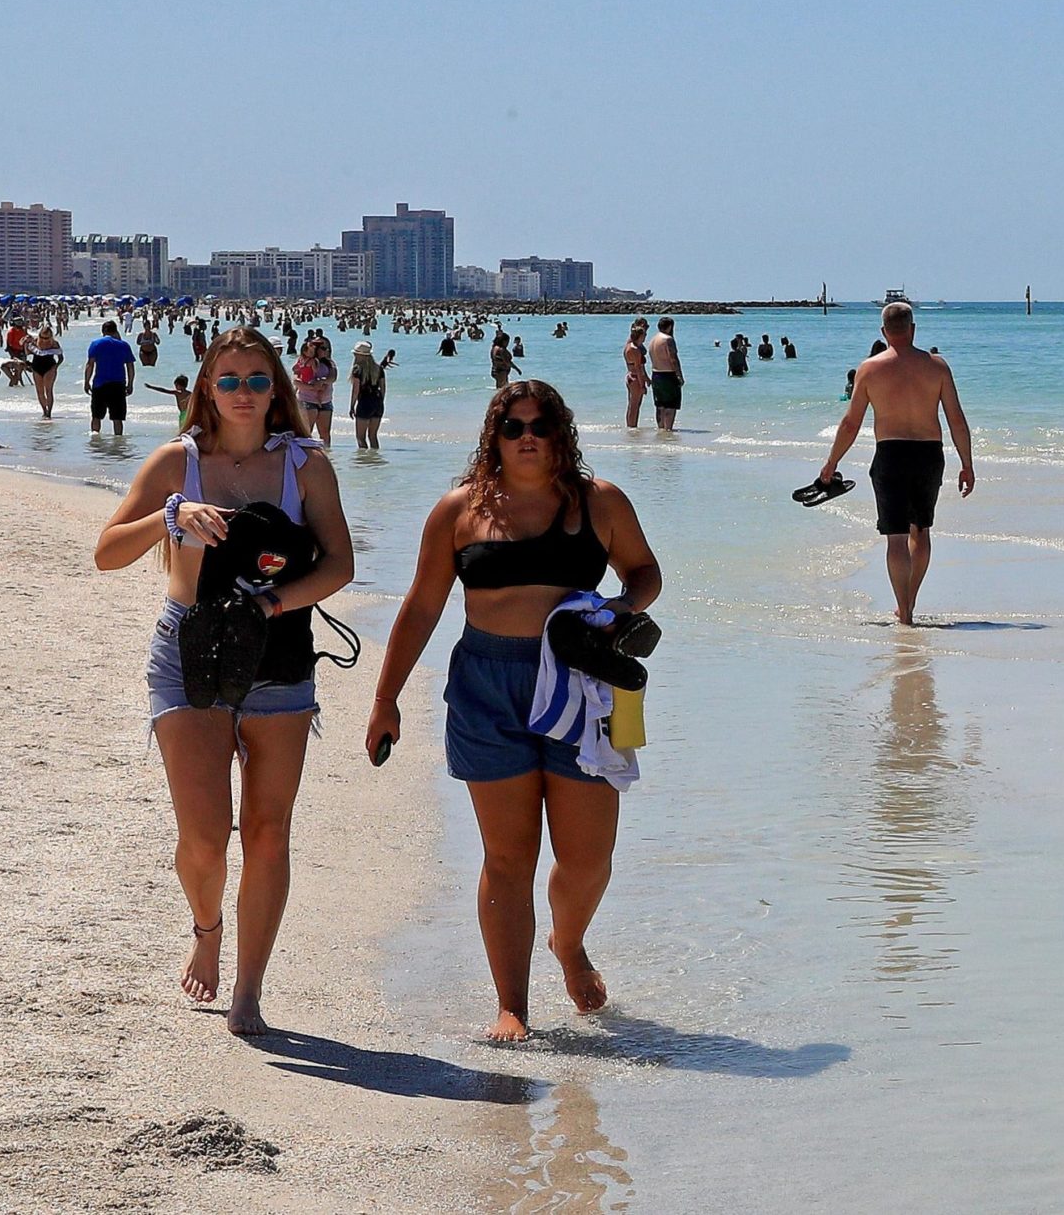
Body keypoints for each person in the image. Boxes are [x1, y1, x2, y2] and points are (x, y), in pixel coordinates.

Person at [365, 382, 661, 1041]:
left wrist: (620, 609)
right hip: (486, 687)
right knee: (507, 857)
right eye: (513, 426)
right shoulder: (459, 510)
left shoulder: (600, 501)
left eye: (541, 425)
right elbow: (421, 605)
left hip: (583, 682)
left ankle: (569, 941)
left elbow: (645, 572)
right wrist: (385, 699)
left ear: (561, 434)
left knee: (588, 857)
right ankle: (512, 1006)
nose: (528, 436)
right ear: (493, 437)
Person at [92, 327, 354, 1036]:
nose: (243, 392)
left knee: (267, 833)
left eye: (257, 380)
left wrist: (273, 603)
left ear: (278, 389)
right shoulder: (176, 462)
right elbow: (106, 552)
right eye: (229, 379)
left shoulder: (306, 464)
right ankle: (206, 927)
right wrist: (171, 515)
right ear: (207, 387)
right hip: (188, 649)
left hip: (279, 652)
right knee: (206, 837)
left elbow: (339, 564)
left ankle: (249, 988)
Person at [815, 302, 975, 624]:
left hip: (890, 454)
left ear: (884, 332)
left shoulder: (869, 369)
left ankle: (904, 611)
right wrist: (966, 463)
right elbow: (956, 419)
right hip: (929, 454)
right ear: (913, 329)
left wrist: (831, 463)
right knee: (921, 531)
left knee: (896, 538)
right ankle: (909, 602)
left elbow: (850, 424)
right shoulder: (937, 367)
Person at [85, 319, 137, 435]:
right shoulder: (124, 345)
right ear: (116, 331)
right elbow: (130, 366)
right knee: (117, 418)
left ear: (103, 331)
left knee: (96, 416)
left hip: (100, 384)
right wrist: (130, 384)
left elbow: (90, 364)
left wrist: (86, 382)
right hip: (118, 385)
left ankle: (95, 440)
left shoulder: (96, 343)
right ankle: (118, 442)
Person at [290, 335, 336, 445]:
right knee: (306, 432)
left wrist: (322, 381)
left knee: (325, 434)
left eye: (327, 348)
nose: (326, 350)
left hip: (325, 401)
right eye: (323, 348)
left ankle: (326, 454)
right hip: (307, 400)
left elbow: (333, 378)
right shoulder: (303, 361)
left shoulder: (329, 363)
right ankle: (305, 453)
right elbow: (296, 379)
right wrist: (312, 387)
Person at [348, 341, 393, 450]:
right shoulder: (379, 369)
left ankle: (365, 459)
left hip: (364, 402)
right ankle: (375, 457)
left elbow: (355, 390)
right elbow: (383, 388)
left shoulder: (357, 369)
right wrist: (380, 401)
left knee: (360, 437)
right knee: (373, 436)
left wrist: (352, 406)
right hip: (377, 402)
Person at [646, 317, 683, 432]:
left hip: (656, 374)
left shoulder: (653, 340)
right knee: (670, 405)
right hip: (668, 374)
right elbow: (673, 359)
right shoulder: (668, 339)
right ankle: (668, 430)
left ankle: (661, 429)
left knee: (660, 405)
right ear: (670, 327)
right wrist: (679, 375)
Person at [28, 325, 64, 418]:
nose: (44, 340)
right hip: (36, 367)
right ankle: (44, 410)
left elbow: (61, 358)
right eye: (42, 337)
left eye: (47, 338)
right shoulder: (35, 342)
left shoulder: (54, 344)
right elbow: (27, 353)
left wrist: (56, 367)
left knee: (48, 390)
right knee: (39, 391)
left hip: (49, 367)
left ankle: (49, 413)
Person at [622, 321, 649, 428]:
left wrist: (646, 378)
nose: (646, 336)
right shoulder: (635, 349)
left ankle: (631, 426)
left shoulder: (629, 346)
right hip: (635, 378)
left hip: (631, 376)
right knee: (634, 405)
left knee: (632, 405)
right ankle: (632, 427)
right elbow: (638, 368)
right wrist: (642, 385)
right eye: (644, 335)